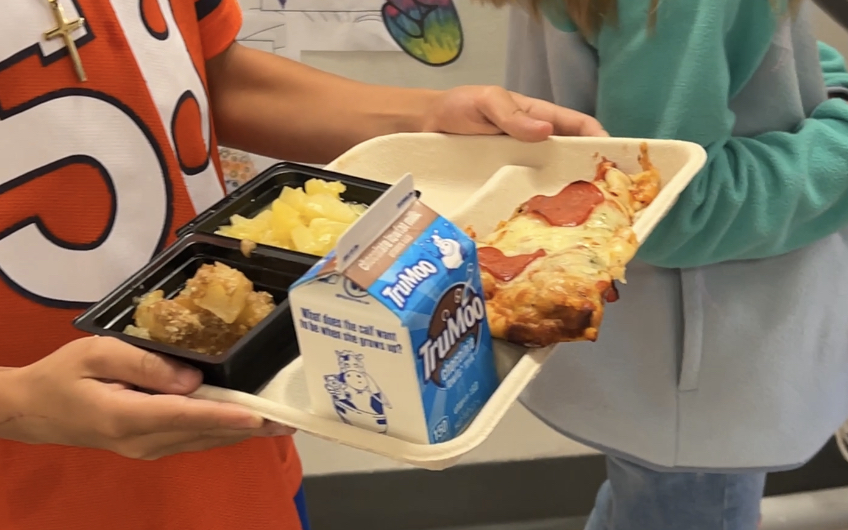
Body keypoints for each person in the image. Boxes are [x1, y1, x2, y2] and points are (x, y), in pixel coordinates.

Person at [0, 1, 606, 529]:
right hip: (40, 489)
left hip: (239, 450)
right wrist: (19, 402)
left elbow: (208, 75)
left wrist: (425, 117)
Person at [477, 0, 848, 529]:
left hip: (658, 353)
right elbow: (677, 204)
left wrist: (824, 80)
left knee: (648, 499)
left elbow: (767, 57)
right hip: (708, 348)